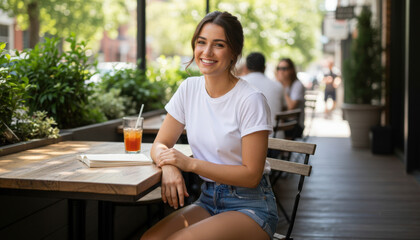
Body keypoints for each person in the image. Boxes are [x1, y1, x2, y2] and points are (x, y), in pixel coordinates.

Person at [141, 11, 278, 240]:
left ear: (234, 52)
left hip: (250, 206)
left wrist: (189, 164)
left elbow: (251, 175)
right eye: (201, 42)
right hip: (208, 200)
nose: (207, 52)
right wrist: (169, 166)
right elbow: (160, 144)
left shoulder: (250, 99)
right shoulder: (189, 89)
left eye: (219, 45)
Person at [242, 52, 284, 135]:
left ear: (245, 68)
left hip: (246, 140)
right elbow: (283, 108)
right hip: (276, 138)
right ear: (264, 68)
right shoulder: (278, 85)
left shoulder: (237, 84)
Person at [275, 58, 305, 139]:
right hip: (282, 122)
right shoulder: (276, 84)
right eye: (279, 68)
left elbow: (291, 107)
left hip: (295, 125)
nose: (281, 71)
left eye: (284, 68)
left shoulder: (297, 85)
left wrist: (283, 87)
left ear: (291, 70)